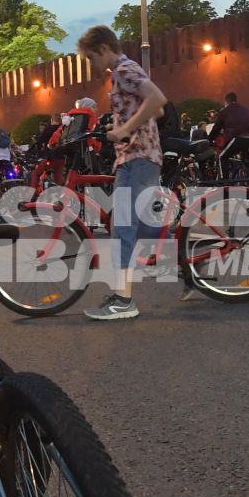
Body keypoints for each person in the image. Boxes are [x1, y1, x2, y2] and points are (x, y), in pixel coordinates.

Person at [76, 25, 171, 319]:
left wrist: (126, 129)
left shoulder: (124, 69)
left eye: (91, 57)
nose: (91, 65)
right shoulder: (124, 72)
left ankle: (123, 300)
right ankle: (192, 261)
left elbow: (158, 100)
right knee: (134, 224)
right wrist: (118, 127)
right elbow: (156, 112)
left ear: (104, 49)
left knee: (124, 226)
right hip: (135, 156)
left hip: (138, 156)